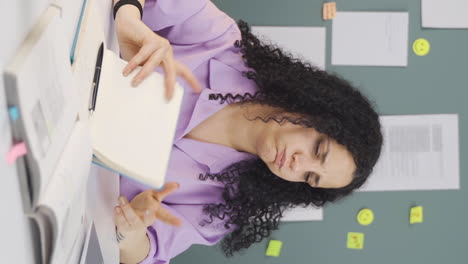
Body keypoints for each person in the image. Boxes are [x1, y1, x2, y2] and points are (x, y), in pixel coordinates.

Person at [111, 0, 383, 263]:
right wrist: (128, 15)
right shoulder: (224, 45)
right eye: (317, 149)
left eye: (309, 177)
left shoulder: (225, 208)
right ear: (314, 110)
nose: (296, 166)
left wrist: (132, 230)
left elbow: (147, 253)